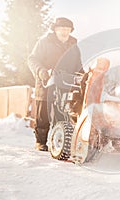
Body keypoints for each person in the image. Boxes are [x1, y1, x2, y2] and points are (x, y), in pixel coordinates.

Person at [28, 17, 81, 151]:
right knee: (43, 115)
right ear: (55, 30)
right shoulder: (44, 42)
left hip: (65, 84)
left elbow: (78, 66)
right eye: (61, 29)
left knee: (62, 113)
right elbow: (32, 59)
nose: (64, 32)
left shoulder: (73, 46)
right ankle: (40, 142)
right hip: (46, 83)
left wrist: (84, 76)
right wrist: (41, 71)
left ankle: (60, 141)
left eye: (67, 29)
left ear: (70, 31)